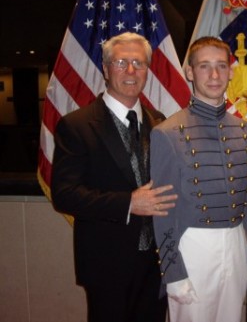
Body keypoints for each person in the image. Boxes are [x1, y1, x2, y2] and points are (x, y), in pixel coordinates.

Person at [51, 32, 178, 322]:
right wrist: (128, 203)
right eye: (121, 62)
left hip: (155, 263)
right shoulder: (77, 125)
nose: (131, 71)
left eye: (139, 62)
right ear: (106, 69)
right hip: (106, 264)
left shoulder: (158, 121)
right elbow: (65, 194)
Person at [150, 36, 247, 322]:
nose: (214, 75)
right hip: (193, 246)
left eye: (221, 66)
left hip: (236, 242)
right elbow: (163, 211)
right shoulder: (167, 132)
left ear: (231, 72)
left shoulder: (245, 130)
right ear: (190, 72)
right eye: (204, 66)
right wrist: (172, 271)